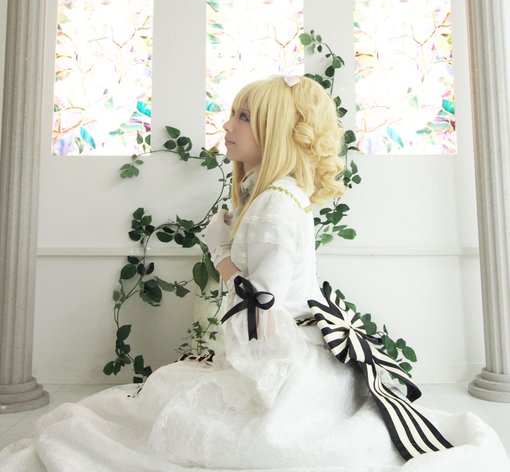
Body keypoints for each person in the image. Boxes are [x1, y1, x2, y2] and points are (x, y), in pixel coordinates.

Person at [0, 75, 509, 472]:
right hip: (295, 346)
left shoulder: (275, 205)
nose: (228, 126)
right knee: (157, 403)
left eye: (243, 116)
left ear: (276, 132)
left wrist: (219, 249)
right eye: (232, 114)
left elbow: (257, 307)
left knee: (165, 421)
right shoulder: (274, 195)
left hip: (285, 362)